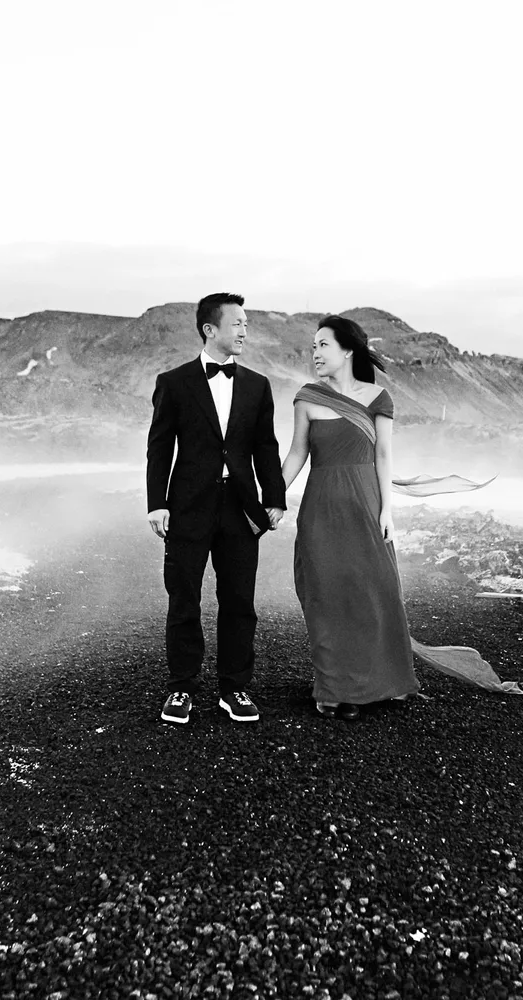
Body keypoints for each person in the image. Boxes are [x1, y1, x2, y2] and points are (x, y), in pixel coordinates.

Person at [146, 292, 286, 725]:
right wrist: (156, 505)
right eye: (238, 323)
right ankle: (182, 689)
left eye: (247, 324)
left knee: (239, 600)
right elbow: (159, 448)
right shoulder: (174, 382)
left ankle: (235, 689)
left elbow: (266, 446)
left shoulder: (258, 386)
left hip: (241, 509)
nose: (244, 330)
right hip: (188, 507)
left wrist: (275, 498)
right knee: (184, 598)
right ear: (211, 329)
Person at [281, 315, 418, 719]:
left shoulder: (378, 398)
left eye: (323, 345)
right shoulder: (307, 397)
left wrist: (388, 511)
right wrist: (267, 498)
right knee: (326, 598)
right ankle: (333, 689)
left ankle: (373, 684)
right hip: (321, 511)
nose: (315, 353)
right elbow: (296, 455)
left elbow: (383, 456)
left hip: (365, 507)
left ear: (347, 351)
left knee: (372, 595)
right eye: (312, 347)